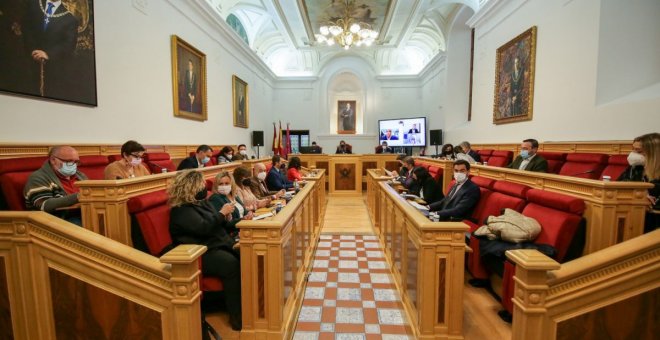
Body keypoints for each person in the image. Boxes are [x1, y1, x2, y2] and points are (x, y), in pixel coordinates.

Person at [167, 170, 242, 330]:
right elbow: (204, 228)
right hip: (199, 253)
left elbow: (218, 224)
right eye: (200, 185)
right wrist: (221, 213)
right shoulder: (181, 210)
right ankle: (237, 316)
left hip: (215, 244)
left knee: (245, 254)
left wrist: (234, 220)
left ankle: (249, 304)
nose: (203, 188)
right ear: (191, 187)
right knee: (231, 265)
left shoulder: (201, 202)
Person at [22, 0, 79, 100]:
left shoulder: (70, 19)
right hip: (25, 63)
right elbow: (26, 27)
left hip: (52, 71)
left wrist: (48, 54)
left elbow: (69, 45)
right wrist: (32, 50)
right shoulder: (34, 4)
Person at [23, 146, 87, 226]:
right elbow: (45, 205)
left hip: (85, 214)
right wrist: (78, 196)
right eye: (69, 161)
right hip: (56, 221)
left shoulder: (80, 175)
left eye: (76, 162)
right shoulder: (38, 177)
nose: (73, 165)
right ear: (53, 160)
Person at [617, 133, 659, 233]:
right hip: (632, 213)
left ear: (654, 153)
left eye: (639, 151)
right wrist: (637, 196)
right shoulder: (635, 167)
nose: (633, 154)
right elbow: (618, 185)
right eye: (633, 149)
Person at [208, 171, 253, 236]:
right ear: (216, 185)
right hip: (232, 234)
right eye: (220, 184)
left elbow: (244, 211)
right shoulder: (215, 198)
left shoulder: (234, 195)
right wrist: (242, 219)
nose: (224, 186)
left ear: (231, 184)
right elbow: (224, 224)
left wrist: (249, 214)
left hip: (244, 229)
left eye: (227, 183)